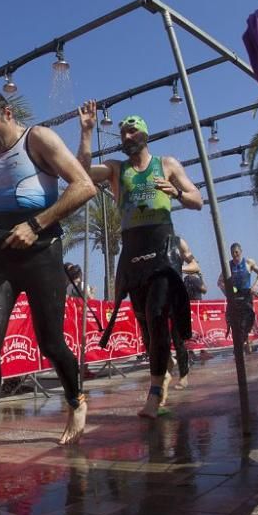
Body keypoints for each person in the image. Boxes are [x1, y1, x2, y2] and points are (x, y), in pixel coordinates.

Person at [0, 88, 96, 462]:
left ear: (8, 113)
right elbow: (3, 208)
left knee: (51, 342)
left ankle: (76, 400)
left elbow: (85, 186)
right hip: (2, 261)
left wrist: (38, 223)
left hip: (43, 256)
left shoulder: (38, 138)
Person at [77, 100, 203, 419]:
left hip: (161, 248)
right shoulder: (116, 170)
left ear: (144, 133)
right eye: (123, 131)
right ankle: (164, 369)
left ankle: (155, 393)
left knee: (159, 313)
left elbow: (197, 200)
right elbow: (78, 172)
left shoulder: (167, 164)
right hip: (132, 252)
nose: (127, 134)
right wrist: (88, 132)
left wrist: (175, 193)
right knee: (146, 324)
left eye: (132, 129)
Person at [217, 242, 258, 352]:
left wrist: (256, 285)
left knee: (248, 320)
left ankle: (244, 342)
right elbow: (219, 282)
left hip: (247, 294)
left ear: (241, 251)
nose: (235, 255)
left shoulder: (248, 262)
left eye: (236, 252)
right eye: (232, 253)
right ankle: (242, 344)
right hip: (235, 296)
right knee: (237, 323)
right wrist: (227, 293)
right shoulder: (228, 266)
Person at [172, 237, 203, 390]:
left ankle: (183, 376)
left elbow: (195, 266)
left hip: (176, 295)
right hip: (158, 295)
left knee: (178, 339)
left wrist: (178, 268)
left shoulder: (179, 242)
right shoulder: (151, 240)